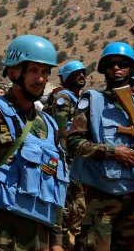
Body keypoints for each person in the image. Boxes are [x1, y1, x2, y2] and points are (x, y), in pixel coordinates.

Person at [0, 35, 68, 251]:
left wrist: (56, 241)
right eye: (33, 71)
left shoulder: (47, 123)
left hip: (39, 235)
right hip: (1, 233)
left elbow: (54, 186)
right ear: (13, 72)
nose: (40, 79)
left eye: (44, 72)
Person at [68, 42, 134, 251]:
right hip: (102, 196)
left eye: (122, 65)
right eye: (110, 65)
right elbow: (73, 143)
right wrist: (112, 152)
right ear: (104, 70)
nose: (116, 69)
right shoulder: (92, 101)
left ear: (131, 69)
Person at [50, 60, 88, 250]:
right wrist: (67, 159)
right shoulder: (63, 98)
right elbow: (62, 131)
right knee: (69, 199)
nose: (82, 76)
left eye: (83, 73)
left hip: (77, 157)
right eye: (76, 74)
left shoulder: (77, 98)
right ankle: (64, 239)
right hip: (68, 158)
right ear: (67, 78)